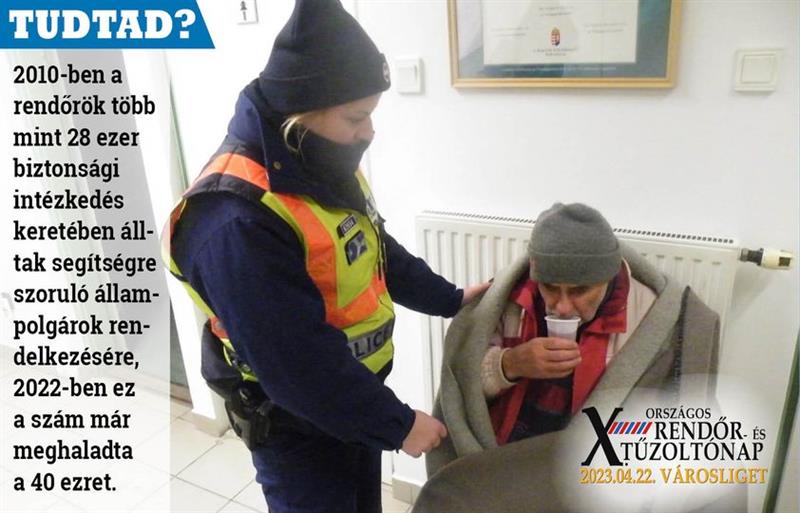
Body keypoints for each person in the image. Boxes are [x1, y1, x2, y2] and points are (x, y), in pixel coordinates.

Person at [162, 1, 488, 512]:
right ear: (300, 112)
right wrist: (399, 424)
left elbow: (372, 246)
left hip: (348, 405)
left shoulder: (315, 158)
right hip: (296, 427)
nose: (369, 131)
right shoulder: (235, 221)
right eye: (356, 117)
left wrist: (448, 298)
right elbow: (296, 362)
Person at [418, 202, 725, 513]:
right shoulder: (510, 301)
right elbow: (462, 387)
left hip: (583, 459)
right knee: (444, 495)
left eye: (580, 291)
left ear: (609, 277)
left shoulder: (646, 316)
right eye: (550, 288)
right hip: (508, 449)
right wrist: (509, 364)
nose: (562, 307)